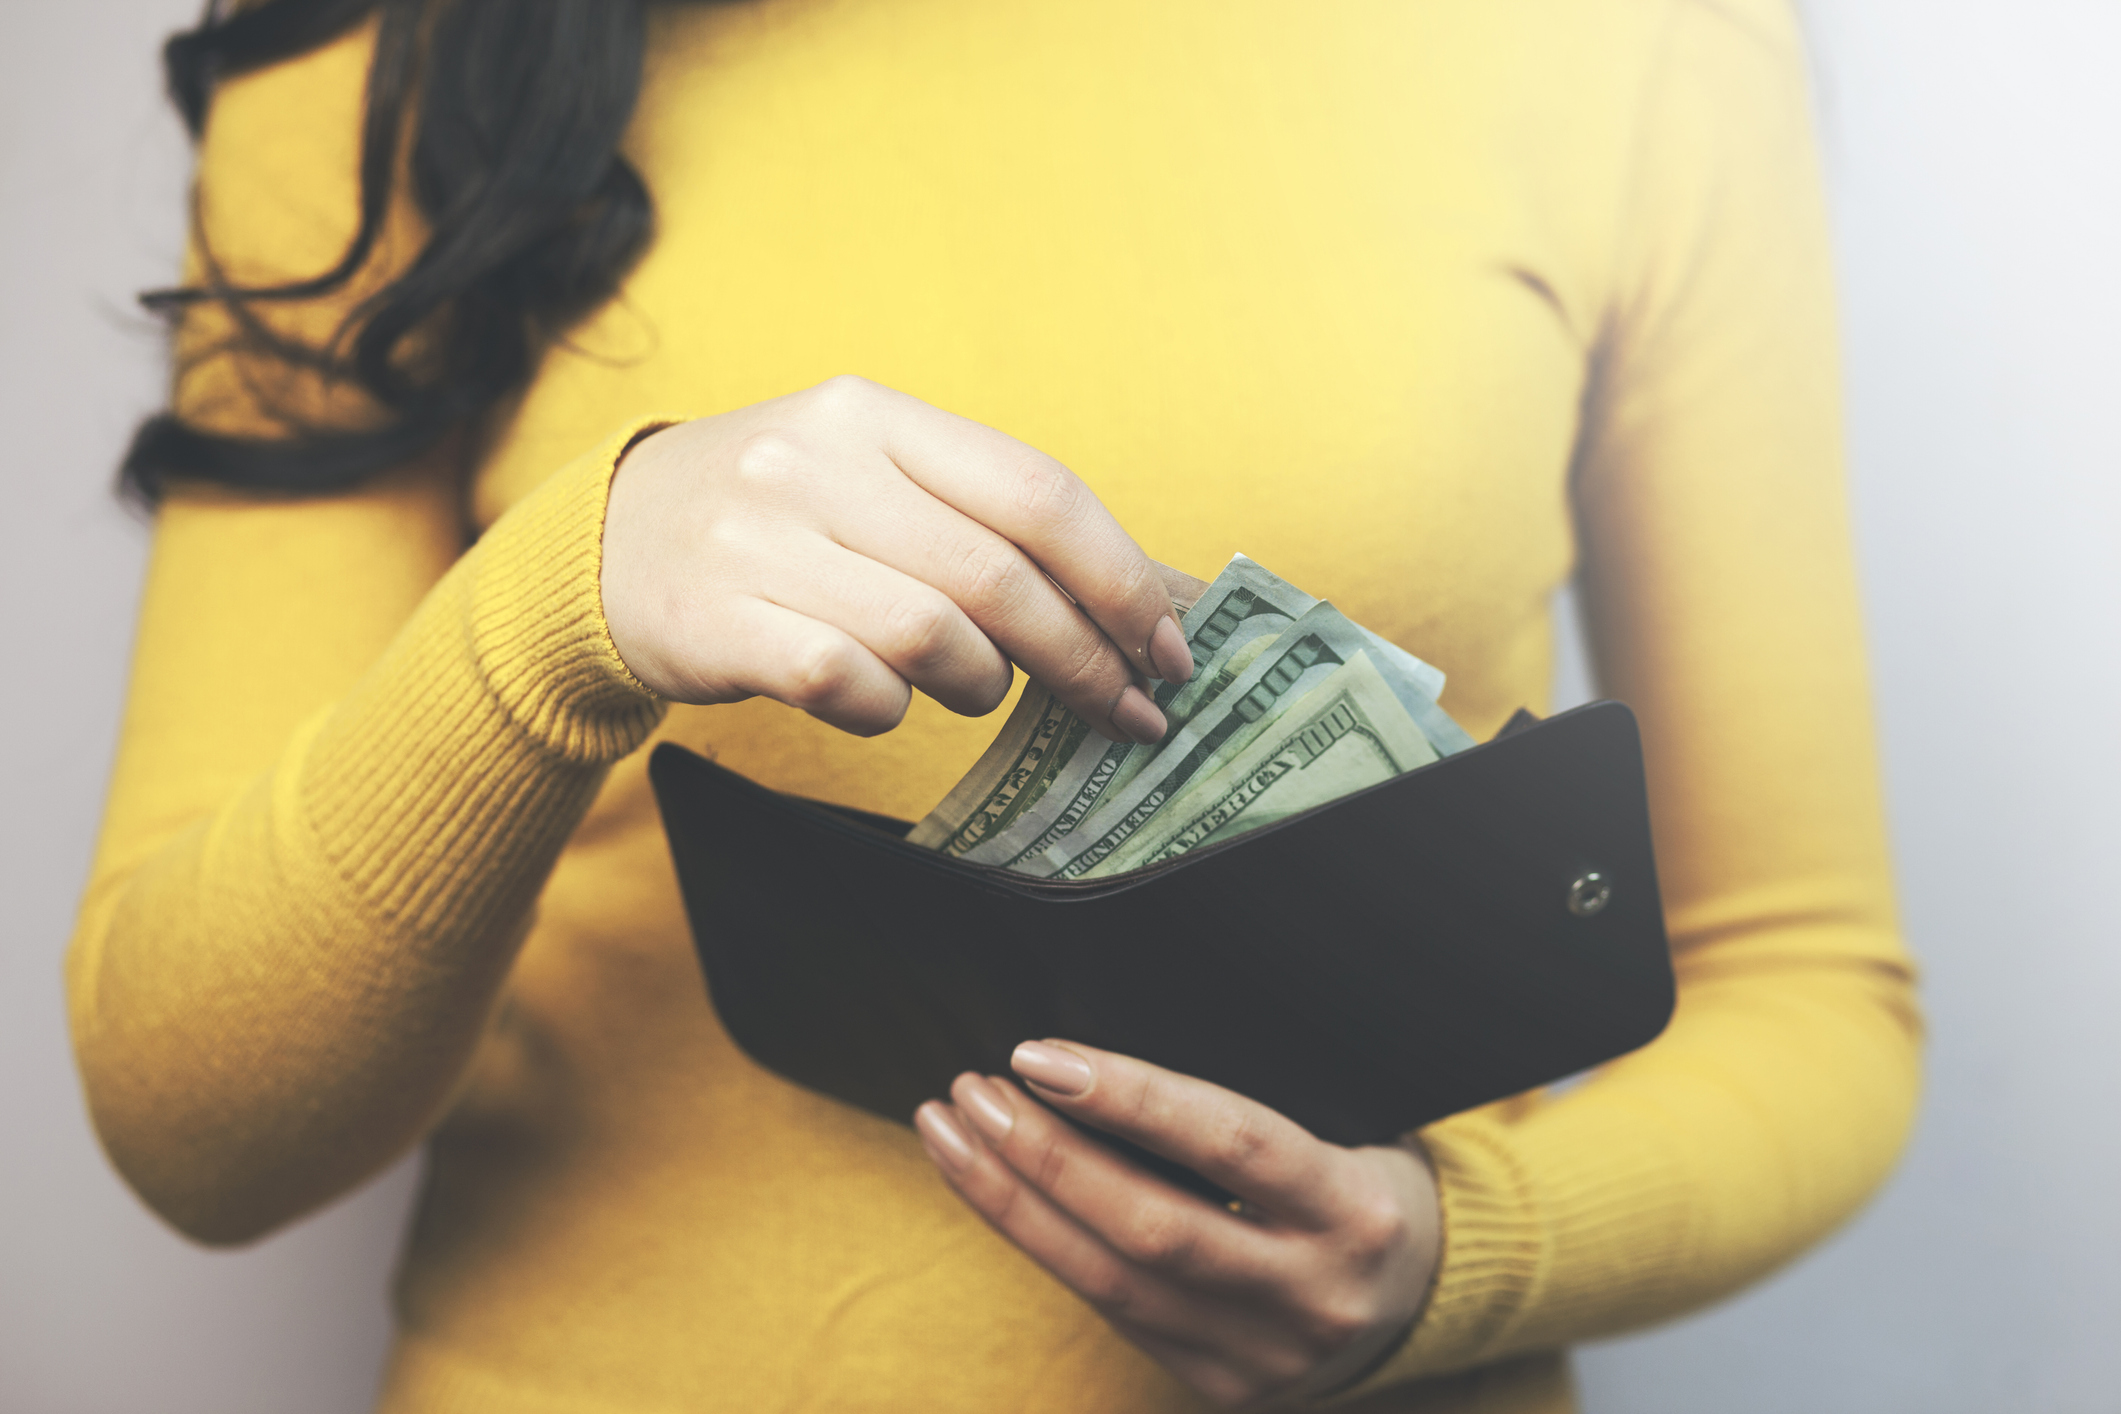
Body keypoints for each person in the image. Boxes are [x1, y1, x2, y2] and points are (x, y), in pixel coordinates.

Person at [67, 0, 1921, 1409]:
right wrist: (563, 602)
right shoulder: (387, 67)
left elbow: (1810, 988)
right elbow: (194, 1131)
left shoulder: (1626, 42)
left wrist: (1458, 1257)